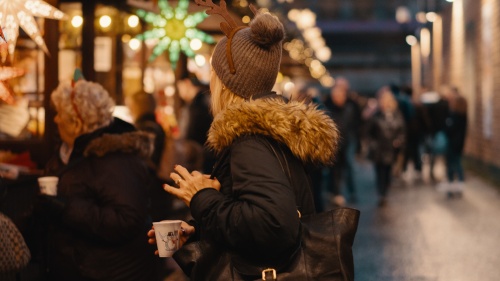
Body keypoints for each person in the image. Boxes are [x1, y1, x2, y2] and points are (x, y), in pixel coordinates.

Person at [148, 8, 339, 280]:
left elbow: (274, 226)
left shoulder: (250, 140)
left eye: (215, 73)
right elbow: (255, 217)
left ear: (227, 83)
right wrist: (199, 229)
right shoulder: (273, 131)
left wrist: (203, 199)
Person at [38, 71, 157, 281]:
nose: (55, 119)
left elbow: (127, 220)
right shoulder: (67, 152)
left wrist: (66, 209)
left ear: (76, 122)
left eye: (59, 114)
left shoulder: (117, 159)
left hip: (110, 272)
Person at [323, 77, 362, 205]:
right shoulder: (327, 105)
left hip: (348, 140)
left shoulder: (352, 105)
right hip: (334, 141)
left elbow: (357, 124)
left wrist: (358, 143)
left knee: (349, 167)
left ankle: (352, 192)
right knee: (334, 169)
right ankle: (335, 192)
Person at [366, 87, 406, 207]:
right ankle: (381, 194)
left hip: (391, 149)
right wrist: (373, 144)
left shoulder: (397, 114)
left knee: (388, 172)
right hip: (379, 149)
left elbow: (402, 130)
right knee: (380, 172)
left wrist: (399, 141)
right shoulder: (376, 115)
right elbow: (368, 131)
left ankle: (385, 192)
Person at [176, 72, 214, 174]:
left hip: (201, 159)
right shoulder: (206, 100)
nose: (179, 92)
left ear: (187, 83)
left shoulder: (197, 106)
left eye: (180, 87)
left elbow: (190, 134)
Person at [438, 87, 468, 197]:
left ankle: (451, 188)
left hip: (452, 144)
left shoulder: (454, 116)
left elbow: (448, 129)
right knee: (458, 165)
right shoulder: (463, 115)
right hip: (459, 144)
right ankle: (459, 187)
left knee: (451, 167)